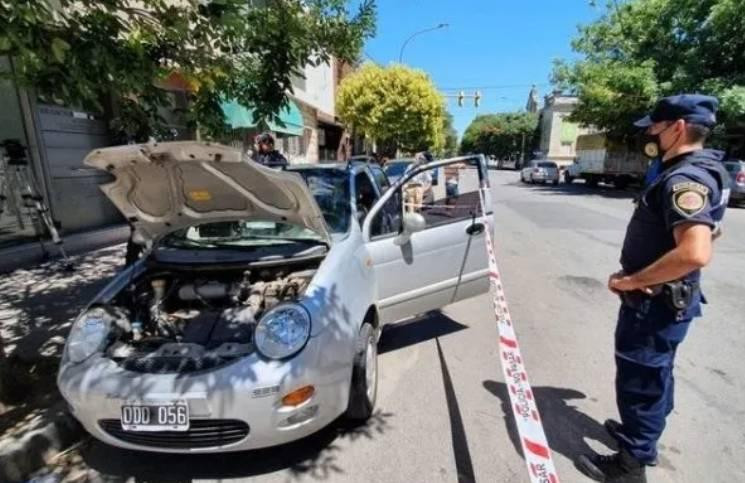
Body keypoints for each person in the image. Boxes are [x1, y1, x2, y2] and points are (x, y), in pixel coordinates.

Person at [577, 95, 730, 482]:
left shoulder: (684, 178)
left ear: (677, 128)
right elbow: (708, 229)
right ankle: (641, 438)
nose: (649, 134)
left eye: (655, 127)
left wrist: (632, 281)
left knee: (641, 379)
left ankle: (631, 464)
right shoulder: (703, 169)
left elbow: (695, 252)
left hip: (654, 302)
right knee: (656, 374)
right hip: (668, 299)